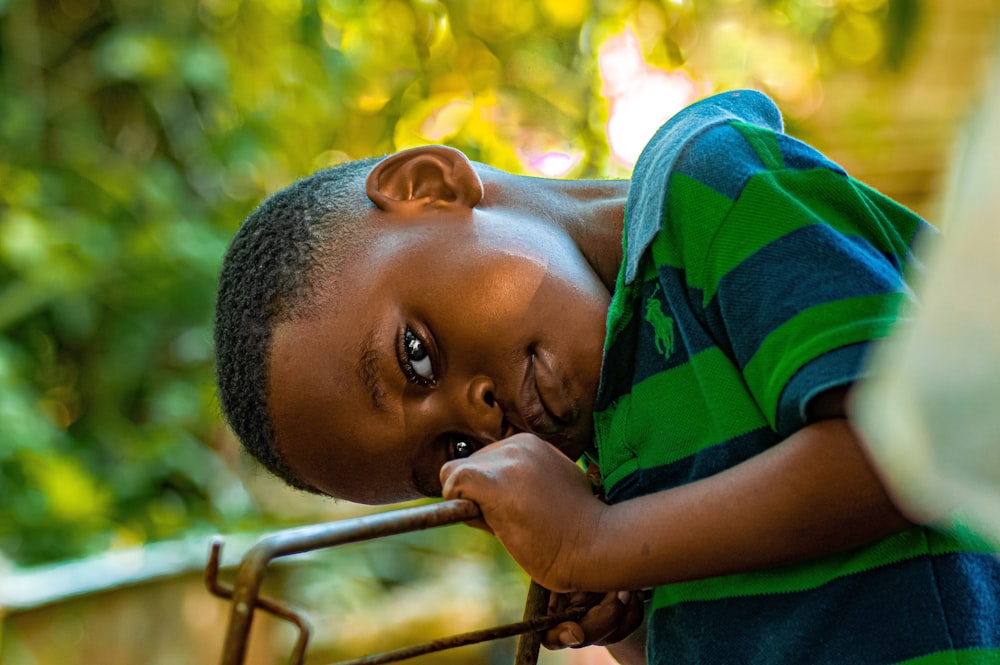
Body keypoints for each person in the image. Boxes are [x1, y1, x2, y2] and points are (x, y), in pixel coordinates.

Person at [214, 90, 1000, 664]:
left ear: (429, 186)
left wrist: (601, 541)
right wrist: (623, 610)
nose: (480, 415)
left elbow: (914, 446)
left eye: (416, 354)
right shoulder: (612, 448)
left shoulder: (712, 190)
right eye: (450, 450)